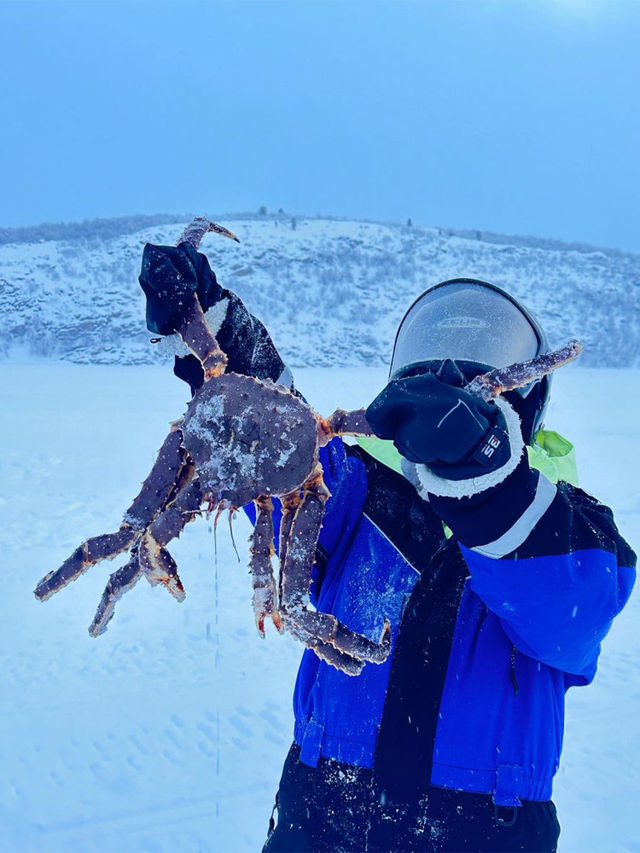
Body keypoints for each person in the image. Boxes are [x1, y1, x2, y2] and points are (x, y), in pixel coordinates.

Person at [139, 244, 636, 853]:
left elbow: (569, 613)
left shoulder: (571, 532)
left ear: (520, 411)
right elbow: (278, 436)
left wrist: (488, 481)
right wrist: (209, 321)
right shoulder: (358, 497)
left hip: (485, 831)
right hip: (324, 810)